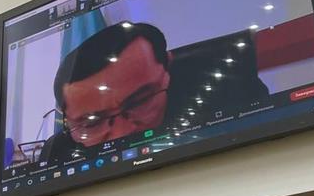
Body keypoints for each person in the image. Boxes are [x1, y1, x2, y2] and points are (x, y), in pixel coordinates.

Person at [39, 21, 268, 163]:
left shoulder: (234, 95)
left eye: (139, 102)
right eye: (91, 123)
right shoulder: (59, 152)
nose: (122, 135)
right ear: (67, 121)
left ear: (168, 68)